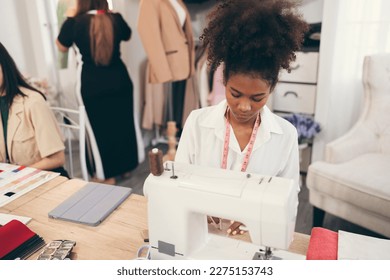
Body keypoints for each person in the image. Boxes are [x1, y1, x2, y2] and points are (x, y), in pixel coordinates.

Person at [175, 0, 309, 235]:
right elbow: (177, 183)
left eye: (257, 97)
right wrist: (200, 206)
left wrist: (258, 220)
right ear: (224, 80)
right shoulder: (197, 123)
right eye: (235, 94)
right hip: (202, 231)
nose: (245, 106)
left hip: (253, 238)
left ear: (272, 88)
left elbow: (288, 199)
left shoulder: (285, 135)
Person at [56, 0, 139, 184]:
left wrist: (70, 17)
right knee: (122, 124)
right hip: (120, 81)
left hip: (91, 85)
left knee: (99, 130)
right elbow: (127, 35)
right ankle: (125, 168)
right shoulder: (115, 18)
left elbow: (61, 46)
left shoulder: (75, 23)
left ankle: (105, 175)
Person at [0, 42, 68, 177]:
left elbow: (57, 159)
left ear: (4, 65)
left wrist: (16, 174)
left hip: (45, 177)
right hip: (14, 183)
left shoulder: (33, 102)